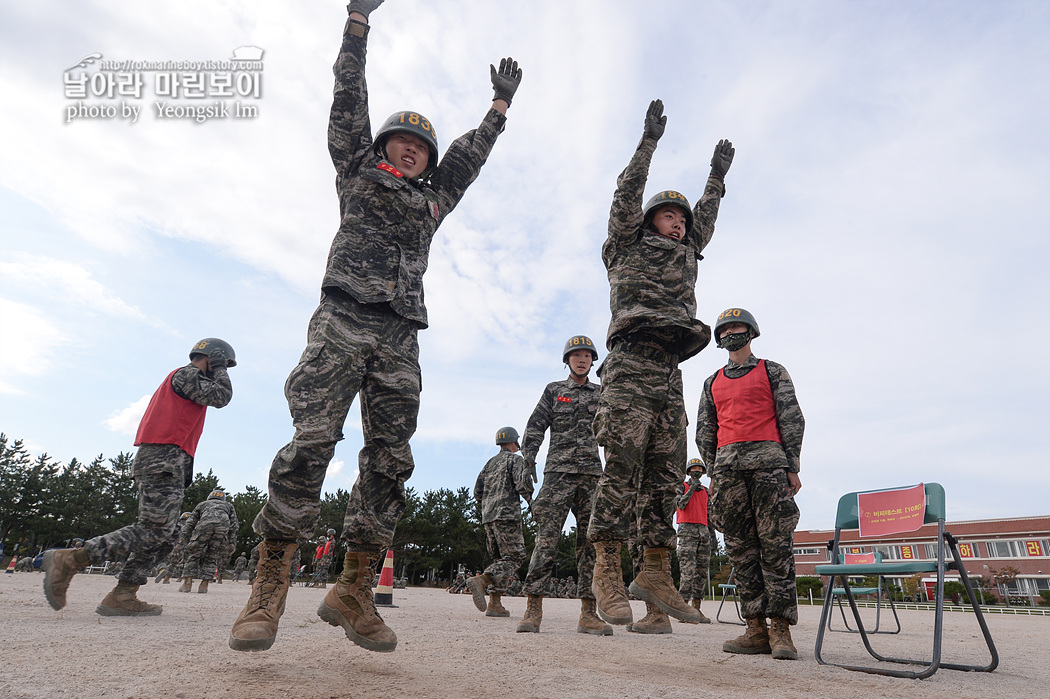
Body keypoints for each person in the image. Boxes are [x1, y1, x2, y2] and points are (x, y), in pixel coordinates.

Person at [229, 0, 522, 654]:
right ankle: (267, 589)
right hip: (341, 319)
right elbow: (348, 96)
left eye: (421, 147)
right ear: (382, 147)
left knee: (390, 461)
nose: (412, 150)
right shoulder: (357, 169)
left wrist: (497, 112)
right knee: (311, 441)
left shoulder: (434, 200)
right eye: (401, 141)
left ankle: (356, 588)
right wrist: (358, 22)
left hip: (400, 336)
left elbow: (468, 160)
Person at [587, 99, 734, 628]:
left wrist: (715, 178)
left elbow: (707, 219)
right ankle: (607, 563)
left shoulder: (688, 250)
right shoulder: (626, 245)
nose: (678, 224)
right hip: (628, 365)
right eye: (669, 215)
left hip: (670, 368)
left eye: (681, 218)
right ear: (650, 219)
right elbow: (625, 194)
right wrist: (648, 144)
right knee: (622, 466)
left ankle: (653, 568)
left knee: (666, 475)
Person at [42, 338, 235, 616]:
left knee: (166, 535)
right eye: (222, 363)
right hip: (163, 459)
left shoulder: (187, 379)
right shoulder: (187, 374)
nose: (223, 369)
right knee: (154, 530)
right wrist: (220, 370)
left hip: (169, 461)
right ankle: (72, 559)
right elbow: (222, 397)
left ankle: (123, 594)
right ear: (211, 358)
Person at [696, 308, 804, 660]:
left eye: (737, 326)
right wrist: (715, 471)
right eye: (725, 329)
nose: (731, 332)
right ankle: (754, 626)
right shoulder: (712, 381)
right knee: (740, 549)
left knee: (775, 547)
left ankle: (781, 630)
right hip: (728, 471)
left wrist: (792, 464)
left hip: (770, 465)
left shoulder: (772, 371)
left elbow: (791, 417)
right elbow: (705, 431)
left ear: (751, 332)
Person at [516, 335, 609, 635]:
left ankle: (588, 613)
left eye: (587, 355)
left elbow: (614, 431)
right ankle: (533, 609)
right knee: (546, 540)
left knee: (590, 545)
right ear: (567, 360)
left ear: (593, 361)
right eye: (576, 355)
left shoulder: (602, 393)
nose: (581, 359)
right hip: (557, 474)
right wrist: (528, 458)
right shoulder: (554, 391)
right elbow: (535, 426)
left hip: (592, 476)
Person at [466, 427, 533, 618]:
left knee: (501, 560)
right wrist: (532, 504)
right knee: (514, 556)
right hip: (508, 515)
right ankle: (483, 580)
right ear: (514, 442)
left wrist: (489, 504)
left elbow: (477, 492)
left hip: (488, 517)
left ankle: (495, 604)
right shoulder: (515, 460)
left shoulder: (490, 463)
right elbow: (522, 485)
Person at [675, 457, 717, 623]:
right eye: (694, 469)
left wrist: (713, 537)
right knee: (688, 571)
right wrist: (691, 489)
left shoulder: (706, 492)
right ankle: (683, 609)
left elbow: (710, 515)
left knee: (701, 573)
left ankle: (696, 609)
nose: (697, 471)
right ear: (689, 472)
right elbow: (680, 505)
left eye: (699, 469)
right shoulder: (682, 487)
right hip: (687, 532)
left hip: (703, 534)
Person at [179, 489, 239, 593]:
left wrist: (184, 537)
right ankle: (204, 584)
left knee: (194, 554)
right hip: (222, 528)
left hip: (204, 526)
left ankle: (187, 583)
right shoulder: (228, 505)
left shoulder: (202, 504)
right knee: (212, 555)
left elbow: (191, 522)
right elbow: (234, 525)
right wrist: (232, 542)